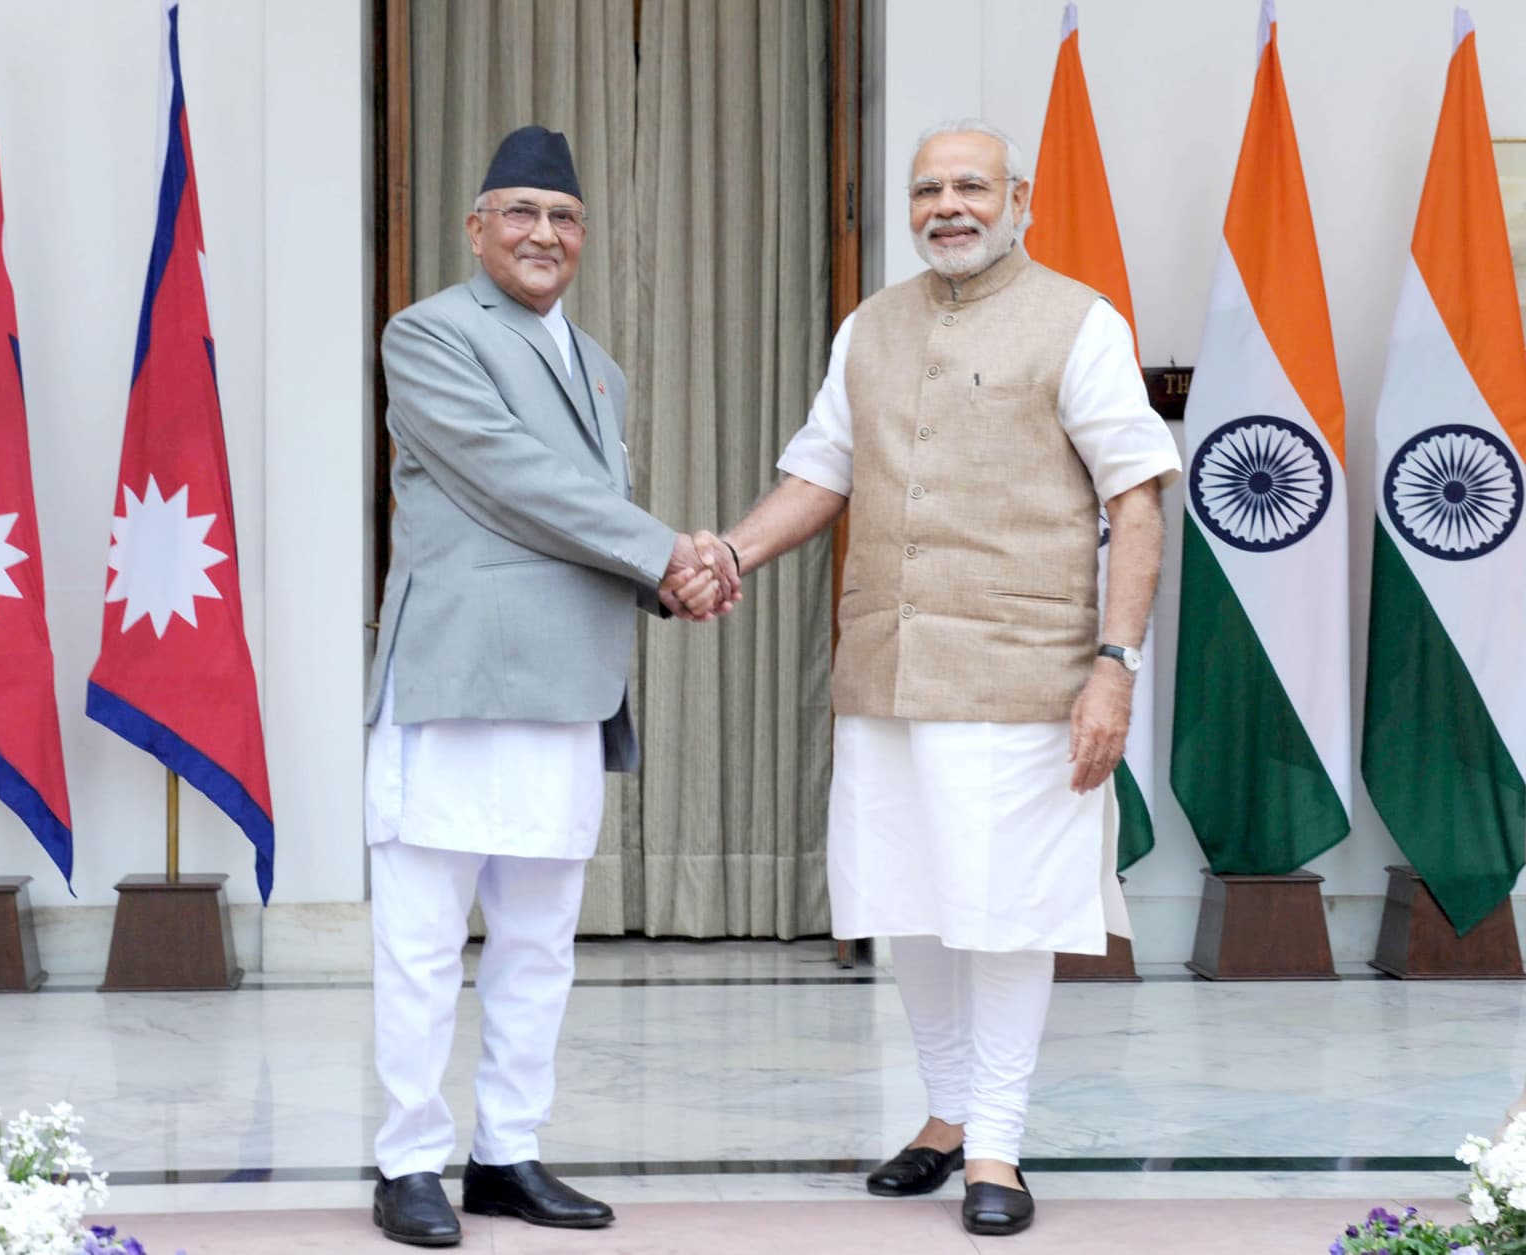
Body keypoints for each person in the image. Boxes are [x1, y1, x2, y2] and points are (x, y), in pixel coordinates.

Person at [685, 120, 1180, 1237]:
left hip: (1023, 677)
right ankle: (944, 1117)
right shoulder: (870, 326)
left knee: (1004, 916)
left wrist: (1114, 667)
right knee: (911, 904)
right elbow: (821, 469)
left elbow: (1136, 501)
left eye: (970, 186)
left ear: (1020, 200)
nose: (947, 206)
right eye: (927, 190)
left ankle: (997, 1142)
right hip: (886, 673)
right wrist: (728, 554)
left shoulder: (1079, 321)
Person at [364, 125, 736, 1247]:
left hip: (567, 689)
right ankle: (407, 1162)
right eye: (519, 212)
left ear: (583, 238)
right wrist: (669, 548)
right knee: (424, 938)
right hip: (458, 679)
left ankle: (506, 1153)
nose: (542, 233)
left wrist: (671, 583)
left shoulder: (599, 366)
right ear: (477, 227)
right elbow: (508, 478)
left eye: (563, 217)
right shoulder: (429, 333)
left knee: (538, 944)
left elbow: (576, 525)